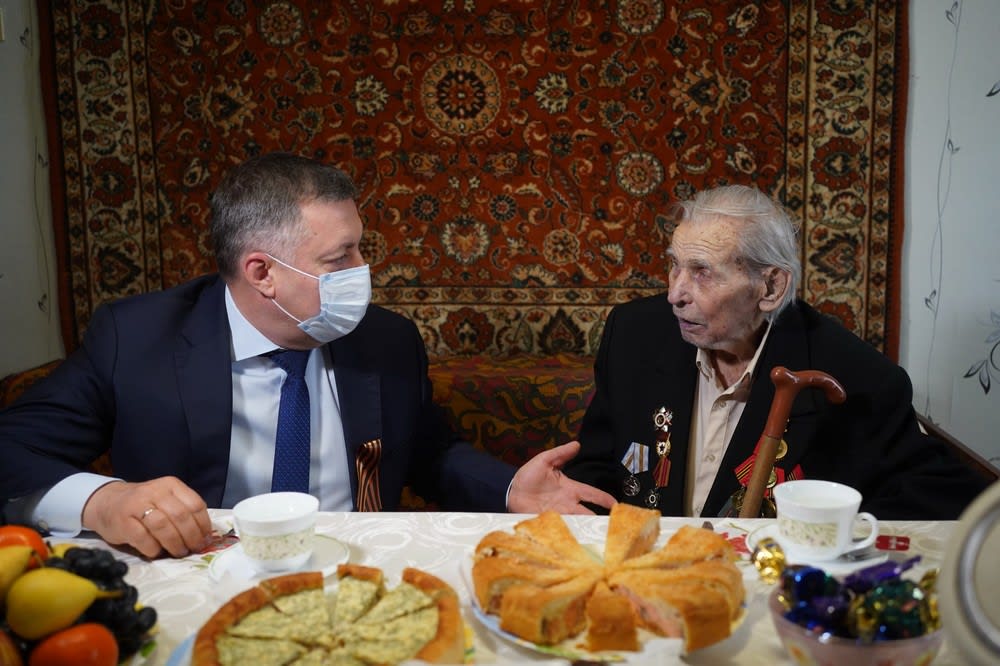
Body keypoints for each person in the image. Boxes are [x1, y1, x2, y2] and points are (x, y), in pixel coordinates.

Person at [0, 152, 615, 558]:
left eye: (360, 249)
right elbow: (12, 448)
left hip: (355, 566)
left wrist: (508, 488)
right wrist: (105, 500)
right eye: (339, 258)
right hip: (198, 569)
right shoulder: (136, 338)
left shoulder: (386, 340)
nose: (363, 271)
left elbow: (428, 452)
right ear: (262, 272)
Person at [563, 184, 991, 520]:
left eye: (702, 272)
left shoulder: (858, 377)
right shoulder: (634, 334)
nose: (675, 293)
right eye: (675, 264)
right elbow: (595, 468)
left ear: (770, 287)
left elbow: (943, 500)